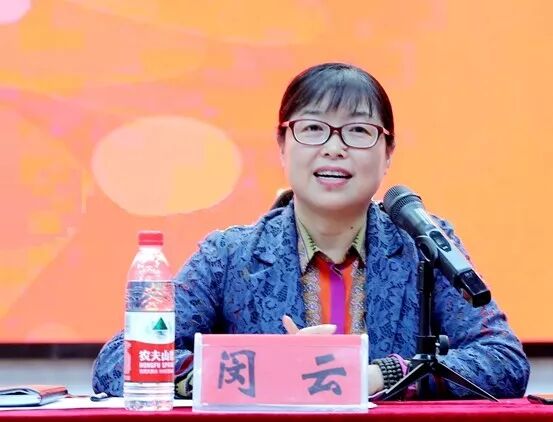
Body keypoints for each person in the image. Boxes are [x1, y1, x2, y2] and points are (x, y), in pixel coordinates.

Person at [92, 62, 530, 399]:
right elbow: (120, 361)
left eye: (358, 130)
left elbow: (504, 361)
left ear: (388, 153)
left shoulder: (422, 246)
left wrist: (382, 375)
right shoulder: (228, 256)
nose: (334, 147)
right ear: (282, 146)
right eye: (314, 128)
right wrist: (268, 372)